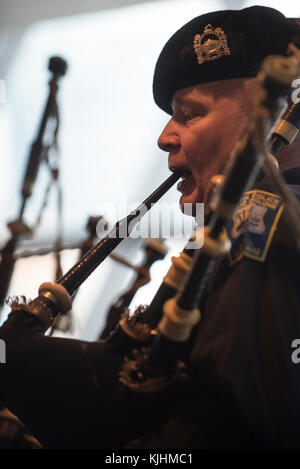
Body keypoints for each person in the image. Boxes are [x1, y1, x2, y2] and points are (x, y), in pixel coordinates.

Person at [0, 5, 300, 449]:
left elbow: (215, 423)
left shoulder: (264, 218)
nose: (165, 135)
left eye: (190, 112)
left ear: (278, 113)